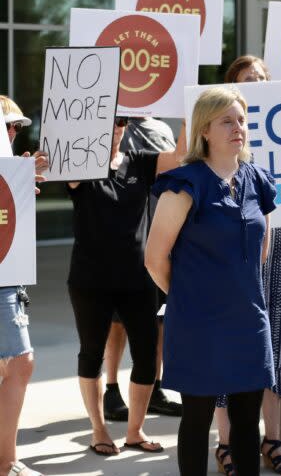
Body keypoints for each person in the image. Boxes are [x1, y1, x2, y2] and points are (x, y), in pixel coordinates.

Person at [145, 87, 275, 476]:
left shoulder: (259, 180)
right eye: (227, 121)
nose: (239, 128)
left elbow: (261, 249)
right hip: (197, 323)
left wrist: (238, 291)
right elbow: (154, 259)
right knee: (197, 420)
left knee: (248, 422)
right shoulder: (185, 184)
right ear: (205, 129)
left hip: (249, 321)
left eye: (241, 120)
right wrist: (189, 297)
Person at [67, 111, 186, 456]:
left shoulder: (139, 162)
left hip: (137, 279)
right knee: (91, 356)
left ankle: (135, 431)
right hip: (90, 280)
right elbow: (62, 170)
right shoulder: (80, 164)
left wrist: (188, 105)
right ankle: (98, 429)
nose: (115, 128)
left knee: (147, 359)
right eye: (108, 120)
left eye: (121, 122)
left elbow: (179, 158)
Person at [211, 55, 281, 476]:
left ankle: (273, 439)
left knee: (276, 340)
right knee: (232, 341)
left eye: (263, 78)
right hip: (236, 248)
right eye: (249, 80)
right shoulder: (225, 134)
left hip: (278, 245)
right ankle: (225, 442)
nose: (258, 84)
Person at [102, 116, 182, 421]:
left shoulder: (161, 129)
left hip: (160, 236)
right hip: (121, 243)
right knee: (116, 322)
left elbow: (177, 164)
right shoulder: (113, 123)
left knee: (158, 320)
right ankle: (111, 388)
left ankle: (154, 388)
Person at [0, 95, 49, 476]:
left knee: (20, 364)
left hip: (6, 278)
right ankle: (7, 461)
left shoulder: (12, 172)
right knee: (20, 363)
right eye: (7, 126)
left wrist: (19, 189)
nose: (14, 132)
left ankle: (7, 460)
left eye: (16, 126)